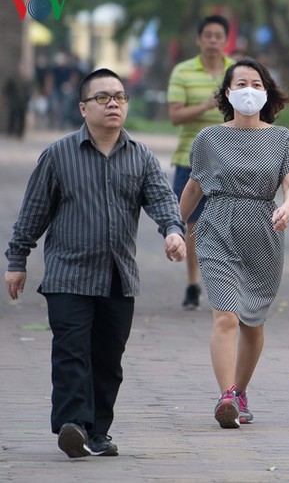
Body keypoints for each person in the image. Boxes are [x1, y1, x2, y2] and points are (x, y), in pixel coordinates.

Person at [4, 68, 186, 458]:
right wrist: (17, 259)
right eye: (103, 97)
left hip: (118, 277)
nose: (113, 103)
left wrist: (173, 230)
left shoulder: (140, 156)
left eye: (119, 96)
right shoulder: (57, 155)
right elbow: (33, 212)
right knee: (71, 352)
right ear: (84, 107)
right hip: (67, 275)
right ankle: (73, 425)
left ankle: (97, 431)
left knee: (107, 360)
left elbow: (162, 201)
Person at [179, 57, 289, 429]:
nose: (248, 90)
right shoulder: (209, 138)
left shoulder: (280, 137)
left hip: (264, 233)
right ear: (227, 92)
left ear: (266, 91)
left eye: (255, 83)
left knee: (253, 321)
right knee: (226, 316)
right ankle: (226, 395)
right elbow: (194, 186)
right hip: (218, 226)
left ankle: (241, 390)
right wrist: (173, 225)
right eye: (240, 84)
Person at [167, 15, 233, 310]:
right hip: (190, 159)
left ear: (225, 40)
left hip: (232, 159)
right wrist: (207, 106)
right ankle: (193, 283)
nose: (212, 41)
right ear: (199, 39)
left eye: (218, 36)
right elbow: (175, 116)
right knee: (192, 223)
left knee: (230, 224)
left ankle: (227, 283)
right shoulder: (182, 71)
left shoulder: (238, 71)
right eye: (207, 35)